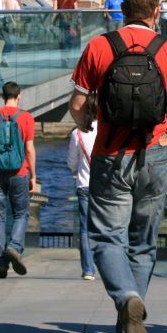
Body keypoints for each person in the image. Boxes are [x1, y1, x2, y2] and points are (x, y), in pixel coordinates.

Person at [69, 0, 167, 333]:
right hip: (153, 152)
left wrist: (86, 125)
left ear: (121, 9)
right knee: (143, 242)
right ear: (157, 11)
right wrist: (165, 129)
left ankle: (125, 299)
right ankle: (130, 315)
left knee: (108, 236)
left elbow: (77, 106)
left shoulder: (98, 46)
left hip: (111, 153)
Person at [0, 81, 37, 279]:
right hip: (19, 174)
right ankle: (14, 247)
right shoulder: (27, 118)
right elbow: (29, 149)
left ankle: (0, 265)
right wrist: (33, 175)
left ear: (2, 96)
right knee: (21, 213)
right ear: (19, 95)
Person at [67, 93, 99, 281]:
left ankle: (88, 269)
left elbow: (71, 162)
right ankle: (111, 265)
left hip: (84, 184)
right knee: (110, 226)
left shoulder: (77, 133)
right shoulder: (107, 131)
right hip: (105, 186)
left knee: (85, 228)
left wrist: (77, 171)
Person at [53, 0, 79, 65]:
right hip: (70, 21)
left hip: (61, 21)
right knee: (69, 40)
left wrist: (52, 21)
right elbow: (76, 10)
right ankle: (68, 56)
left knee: (62, 40)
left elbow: (55, 10)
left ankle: (63, 57)